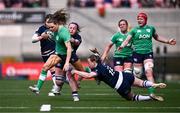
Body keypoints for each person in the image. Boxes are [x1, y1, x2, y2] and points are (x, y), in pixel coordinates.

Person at [70, 49, 167, 101]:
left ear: (93, 62)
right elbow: (99, 57)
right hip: (124, 75)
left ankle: (149, 98)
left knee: (131, 97)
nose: (88, 64)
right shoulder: (100, 63)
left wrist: (75, 72)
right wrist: (96, 52)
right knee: (141, 83)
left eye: (89, 62)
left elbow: (88, 76)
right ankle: (153, 84)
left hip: (120, 85)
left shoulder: (97, 69)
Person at [117, 12, 176, 95]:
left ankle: (152, 93)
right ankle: (128, 91)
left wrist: (168, 41)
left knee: (149, 72)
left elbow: (157, 37)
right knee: (137, 76)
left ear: (145, 20)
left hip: (148, 54)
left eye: (141, 19)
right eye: (138, 19)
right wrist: (122, 46)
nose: (139, 20)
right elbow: (127, 40)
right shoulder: (134, 30)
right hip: (137, 54)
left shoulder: (151, 29)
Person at [31, 14, 59, 94]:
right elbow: (33, 39)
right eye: (48, 22)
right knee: (51, 70)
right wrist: (41, 37)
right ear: (45, 22)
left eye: (51, 21)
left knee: (52, 69)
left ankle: (54, 88)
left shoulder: (55, 28)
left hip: (54, 51)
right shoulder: (41, 28)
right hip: (44, 53)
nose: (49, 23)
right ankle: (56, 87)